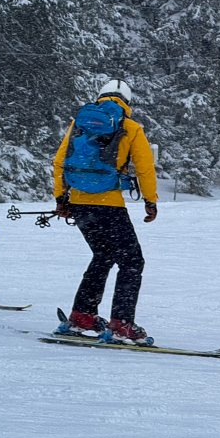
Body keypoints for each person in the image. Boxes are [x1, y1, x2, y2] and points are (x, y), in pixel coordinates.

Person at [53, 79, 159, 343]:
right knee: (132, 262)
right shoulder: (131, 127)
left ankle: (82, 316)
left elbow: (59, 162)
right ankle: (122, 324)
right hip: (109, 204)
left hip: (79, 203)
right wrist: (150, 200)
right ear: (127, 101)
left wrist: (61, 198)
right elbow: (145, 168)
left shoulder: (78, 124)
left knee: (102, 255)